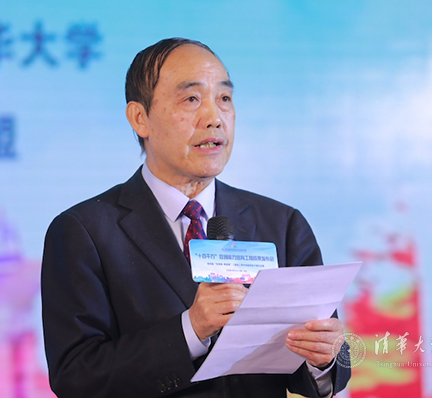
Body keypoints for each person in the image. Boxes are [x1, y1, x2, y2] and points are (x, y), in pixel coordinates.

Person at [41, 37, 351, 398]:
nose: (214, 118)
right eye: (191, 99)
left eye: (224, 99)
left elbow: (327, 370)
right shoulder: (84, 232)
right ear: (140, 118)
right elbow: (76, 376)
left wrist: (323, 358)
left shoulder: (281, 224)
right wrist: (190, 330)